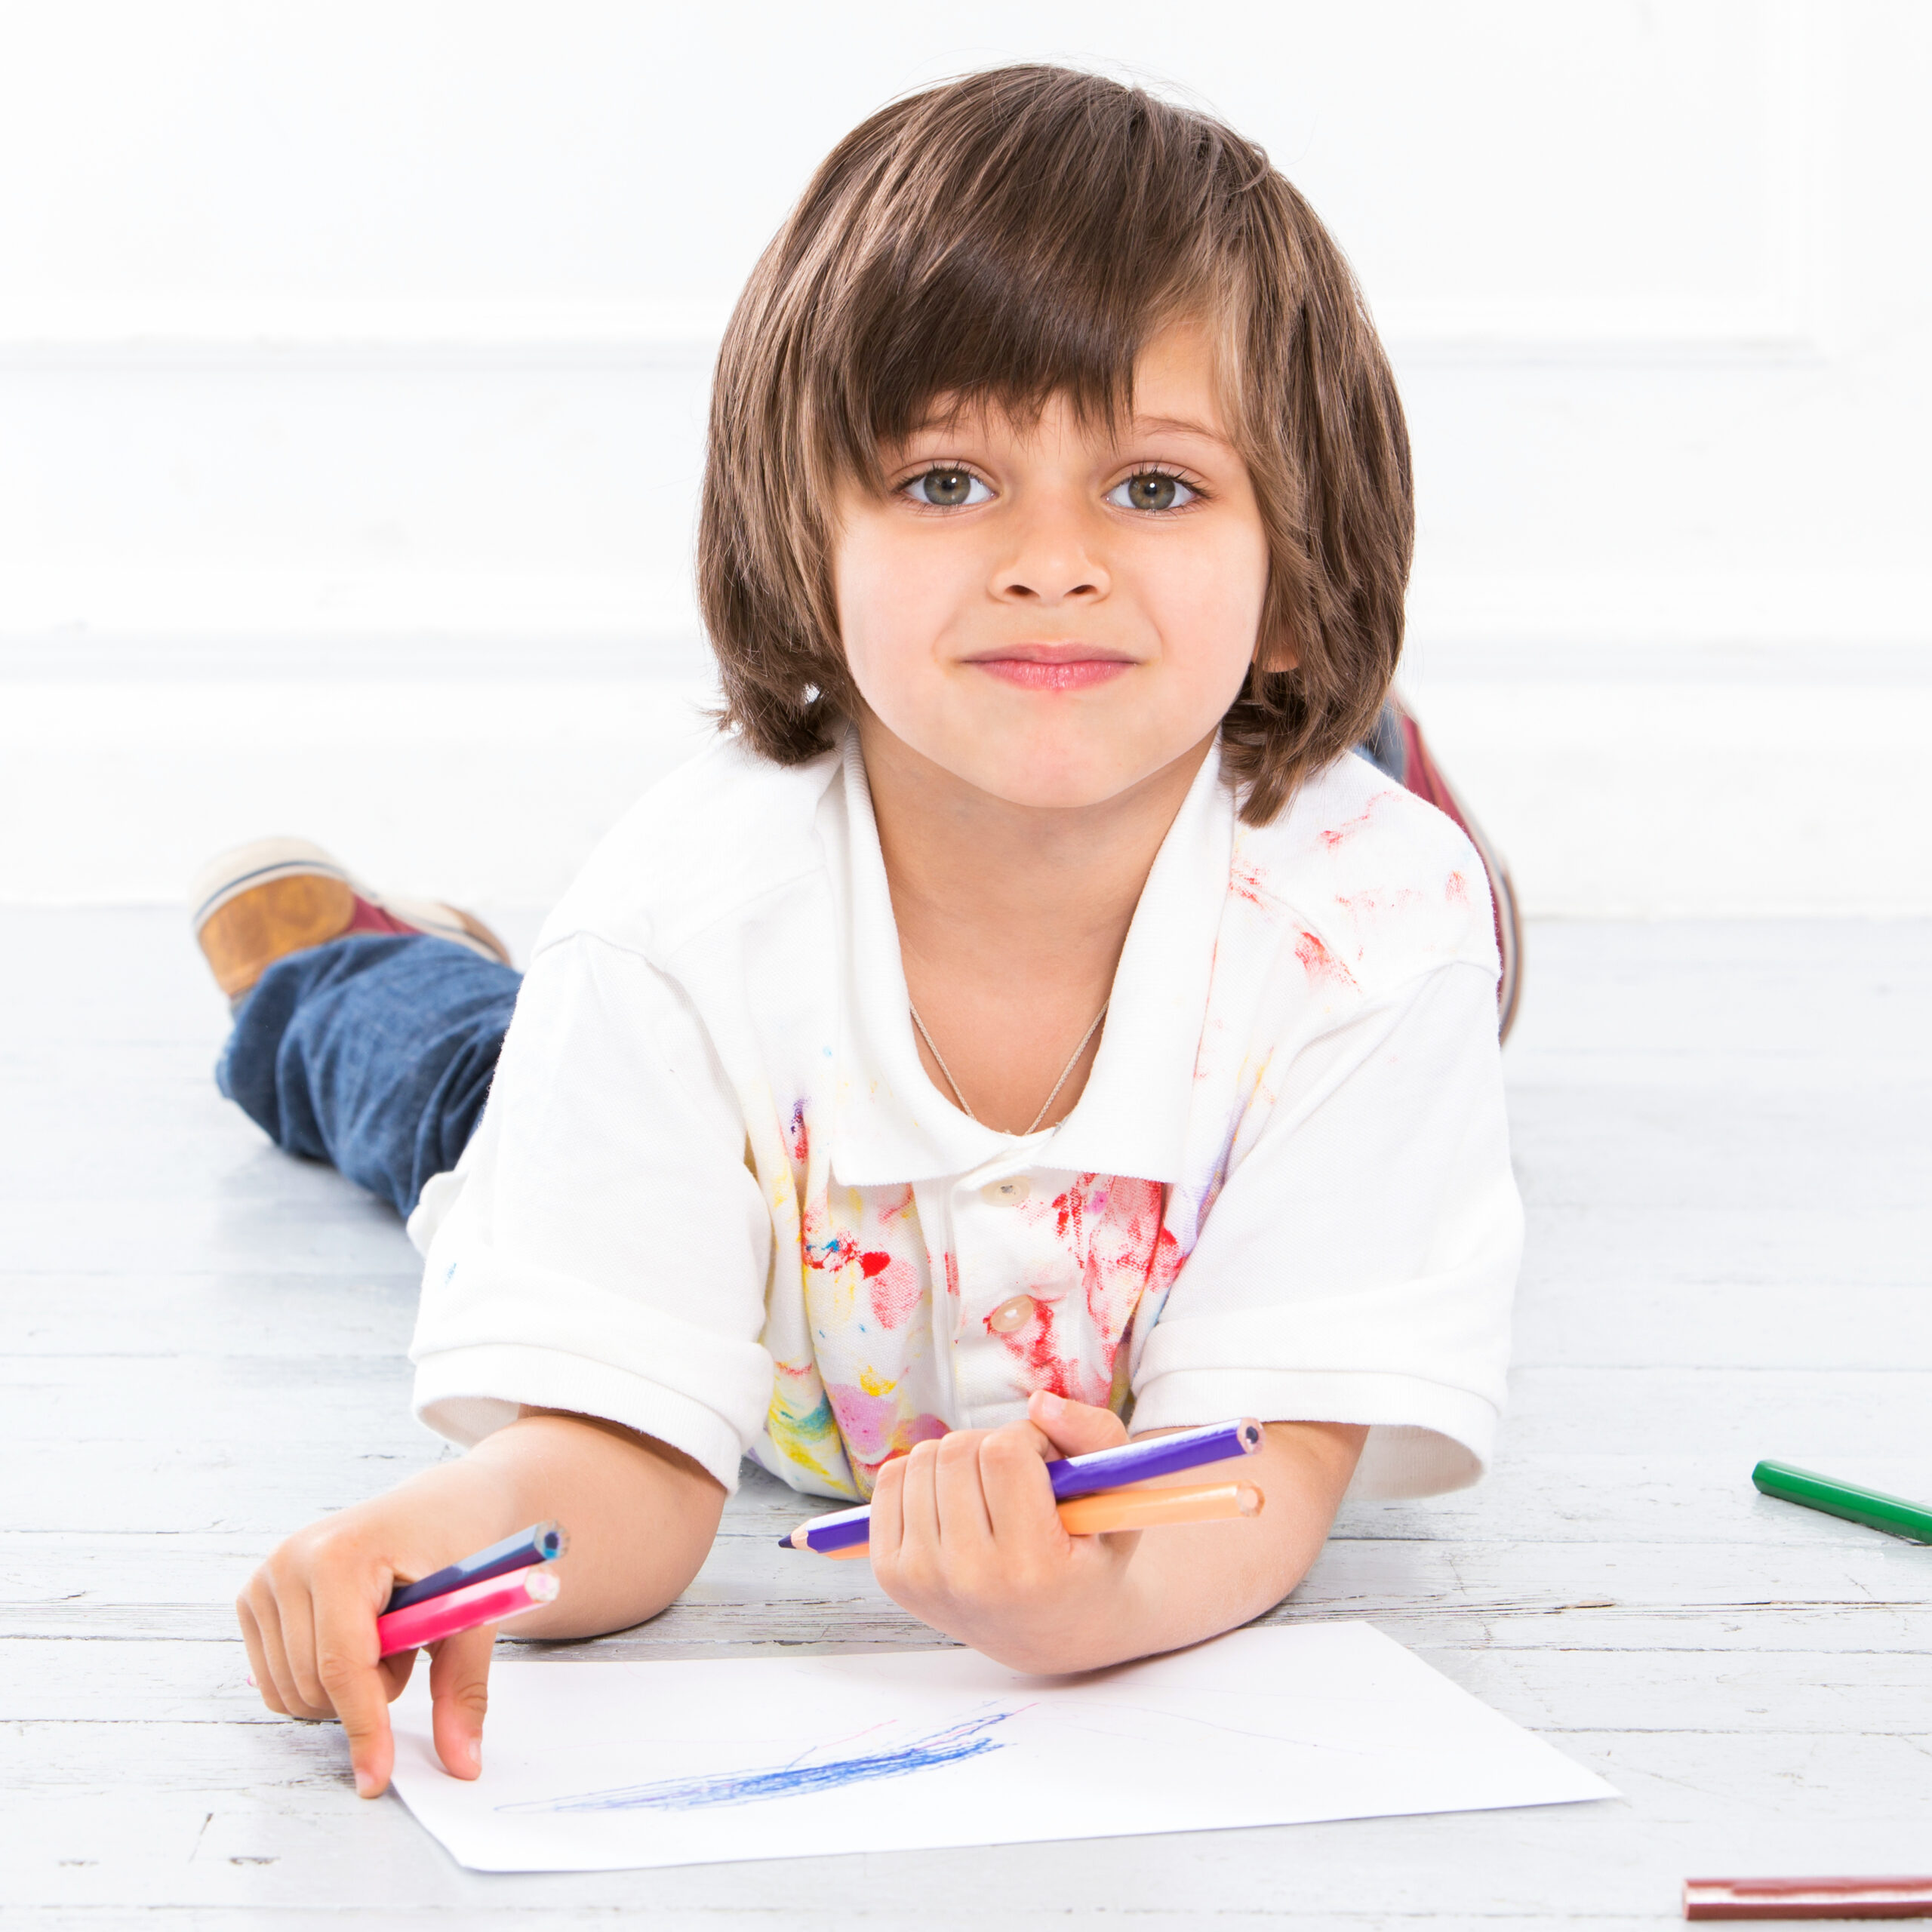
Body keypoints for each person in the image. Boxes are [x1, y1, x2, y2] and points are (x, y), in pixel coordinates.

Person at [209, 66, 1524, 1802]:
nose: (1049, 561)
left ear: (1294, 575)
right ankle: (344, 968)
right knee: (452, 1077)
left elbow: (1268, 1473)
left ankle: (1339, 744)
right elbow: (625, 1465)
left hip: (1290, 892)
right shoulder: (675, 925)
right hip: (727, 1184)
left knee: (1430, 925)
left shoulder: (1371, 930)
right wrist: (434, 1537)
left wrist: (1081, 1599)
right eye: (945, 481)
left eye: (1150, 488)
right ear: (796, 541)